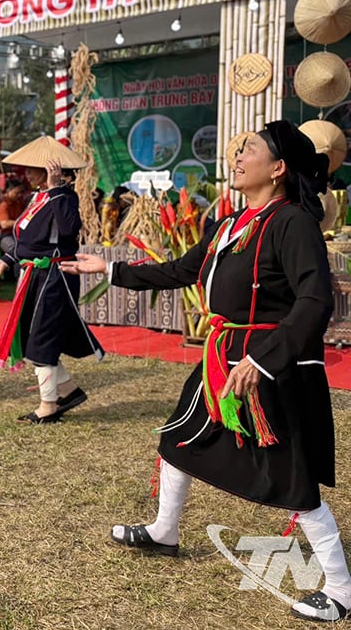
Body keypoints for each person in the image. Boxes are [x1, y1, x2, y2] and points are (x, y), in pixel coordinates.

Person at [63, 121, 351, 623]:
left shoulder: (292, 223)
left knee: (291, 478)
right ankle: (165, 531)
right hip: (222, 359)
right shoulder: (231, 223)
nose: (237, 157)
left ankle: (341, 588)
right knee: (179, 438)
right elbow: (181, 270)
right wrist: (109, 270)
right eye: (239, 149)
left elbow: (314, 301)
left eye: (250, 149)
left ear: (278, 169)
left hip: (268, 367)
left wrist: (263, 360)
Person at [0, 136, 103, 424]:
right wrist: (6, 261)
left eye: (34, 168)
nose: (27, 173)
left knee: (41, 340)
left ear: (53, 171)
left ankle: (48, 405)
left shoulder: (65, 197)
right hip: (34, 277)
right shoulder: (38, 198)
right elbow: (28, 242)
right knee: (31, 337)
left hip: (55, 279)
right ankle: (69, 391)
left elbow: (68, 230)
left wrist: (56, 188)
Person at [0, 178, 29, 257]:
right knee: (14, 250)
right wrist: (21, 222)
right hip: (5, 236)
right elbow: (4, 224)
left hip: (18, 234)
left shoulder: (18, 203)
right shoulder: (3, 205)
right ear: (8, 191)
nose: (19, 195)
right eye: (16, 193)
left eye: (20, 193)